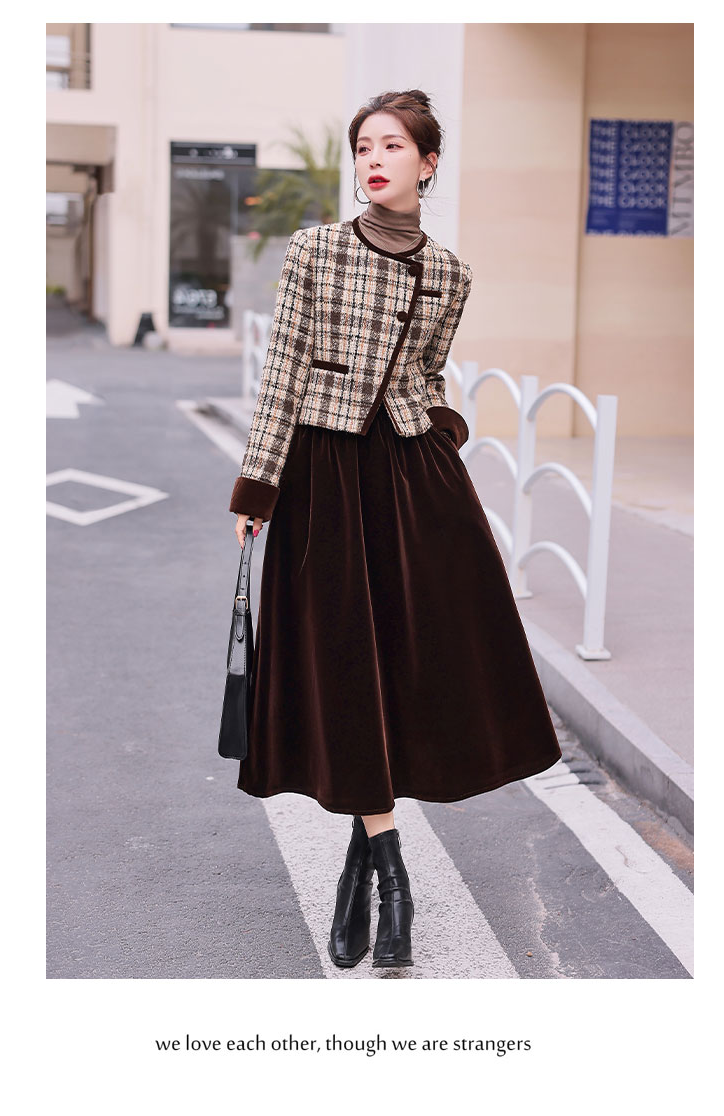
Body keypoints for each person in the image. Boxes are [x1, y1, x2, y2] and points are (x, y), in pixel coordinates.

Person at [228, 89, 562, 970]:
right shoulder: (315, 250)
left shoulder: (450, 272)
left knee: (409, 669)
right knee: (342, 664)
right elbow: (283, 371)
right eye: (364, 147)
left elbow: (431, 372)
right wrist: (259, 484)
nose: (374, 159)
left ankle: (361, 861)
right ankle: (391, 870)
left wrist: (441, 432)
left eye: (392, 145)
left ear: (428, 162)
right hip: (325, 477)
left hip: (416, 482)